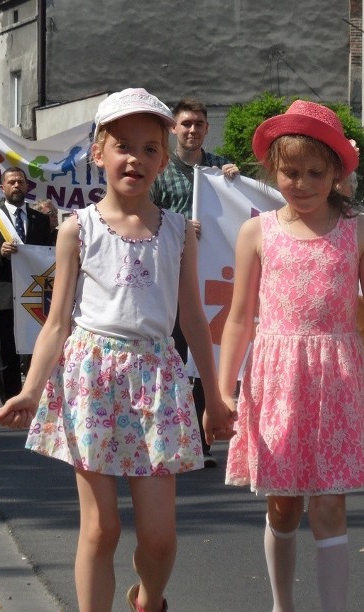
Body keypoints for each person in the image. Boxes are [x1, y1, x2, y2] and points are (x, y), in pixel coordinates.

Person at [0, 88, 235, 612]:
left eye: (150, 149)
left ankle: (150, 605)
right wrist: (31, 391)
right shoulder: (77, 228)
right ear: (98, 152)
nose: (136, 158)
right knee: (100, 529)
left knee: (159, 537)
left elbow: (193, 319)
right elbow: (55, 322)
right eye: (123, 146)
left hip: (158, 379)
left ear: (164, 159)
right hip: (92, 377)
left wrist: (216, 396)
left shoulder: (177, 231)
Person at [219, 100, 364, 612]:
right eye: (290, 172)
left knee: (330, 505)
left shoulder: (363, 232)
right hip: (278, 377)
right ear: (272, 170)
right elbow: (239, 318)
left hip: (335, 376)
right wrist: (223, 389)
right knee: (284, 505)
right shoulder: (257, 231)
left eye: (315, 172)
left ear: (336, 172)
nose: (302, 183)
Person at [150, 98, 241, 468]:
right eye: (185, 123)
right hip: (170, 283)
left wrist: (237, 184)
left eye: (199, 124)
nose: (192, 130)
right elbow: (147, 220)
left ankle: (202, 442)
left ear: (206, 128)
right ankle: (169, 438)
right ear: (174, 128)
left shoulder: (221, 170)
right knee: (171, 363)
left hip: (213, 283)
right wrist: (179, 229)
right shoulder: (159, 171)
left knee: (207, 363)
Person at [0, 167, 54, 404]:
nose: (16, 185)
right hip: (3, 294)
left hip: (34, 294)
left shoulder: (40, 219)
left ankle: (36, 398)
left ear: (27, 186)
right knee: (5, 352)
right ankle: (10, 400)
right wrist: (0, 252)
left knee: (37, 349)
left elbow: (47, 255)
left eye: (20, 181)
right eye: (11, 182)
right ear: (3, 187)